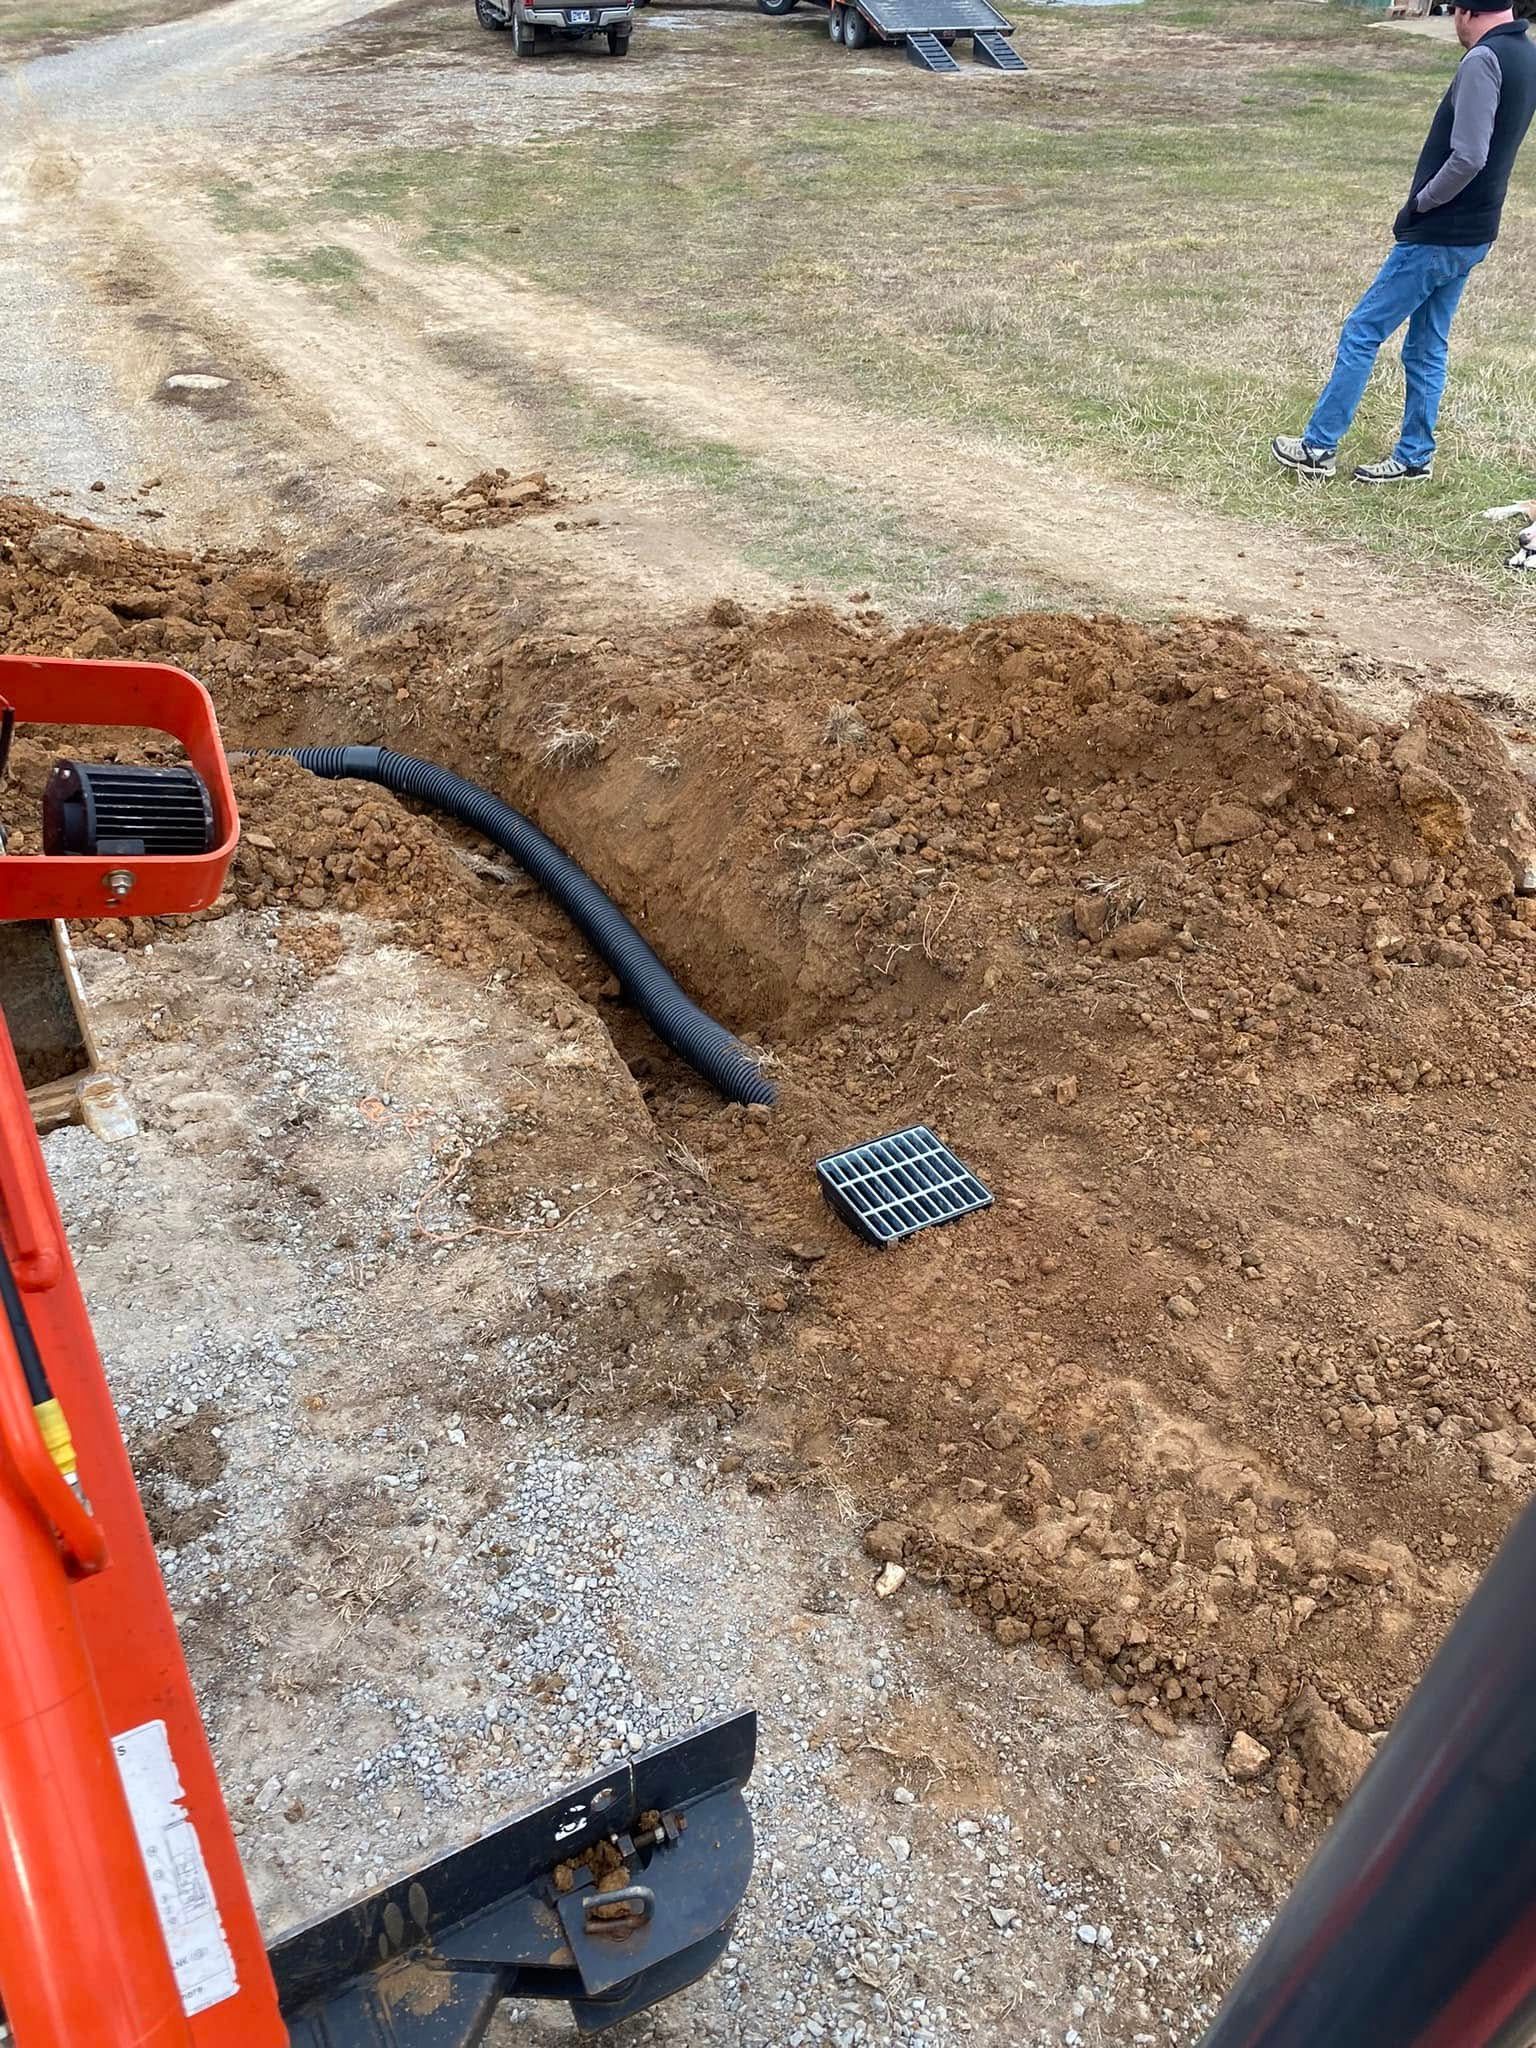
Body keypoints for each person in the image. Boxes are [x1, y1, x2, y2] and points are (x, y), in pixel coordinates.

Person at [1272, 0, 1535, 485]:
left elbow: (1470, 156)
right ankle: (1415, 455)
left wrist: (1422, 204)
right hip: (1476, 231)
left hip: (1440, 232)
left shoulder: (1483, 59)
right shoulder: (1526, 53)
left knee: (1362, 330)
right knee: (1426, 345)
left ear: (1464, 11)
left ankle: (1318, 446)